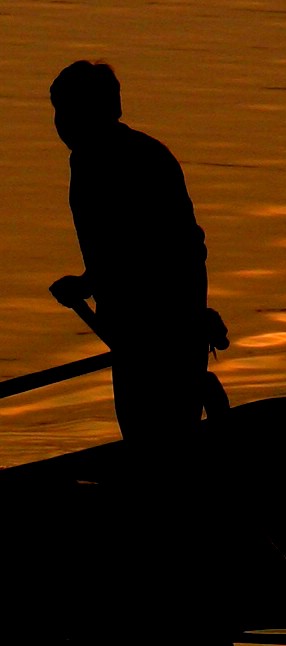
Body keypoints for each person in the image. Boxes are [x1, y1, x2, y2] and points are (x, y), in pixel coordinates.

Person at [48, 60, 211, 443]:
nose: (60, 123)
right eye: (58, 112)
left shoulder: (136, 160)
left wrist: (180, 321)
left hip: (161, 325)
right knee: (147, 435)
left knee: (158, 436)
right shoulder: (90, 161)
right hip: (130, 325)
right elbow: (119, 248)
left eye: (67, 111)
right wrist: (89, 282)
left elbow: (165, 247)